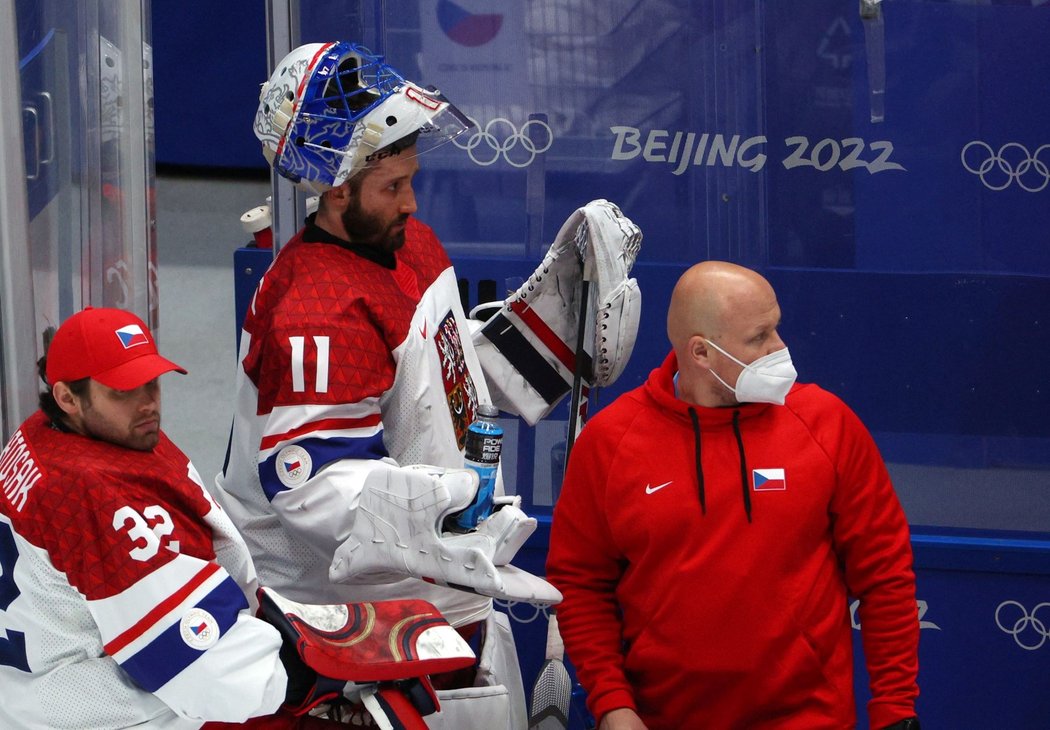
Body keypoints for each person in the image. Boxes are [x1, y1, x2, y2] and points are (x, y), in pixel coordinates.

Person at [213, 41, 560, 730]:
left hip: (433, 595)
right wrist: (458, 518)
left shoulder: (409, 242)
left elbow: (434, 368)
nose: (411, 201)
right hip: (353, 631)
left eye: (410, 178)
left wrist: (547, 348)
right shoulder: (315, 315)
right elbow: (314, 493)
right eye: (392, 187)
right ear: (336, 191)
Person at [546, 261, 921, 730]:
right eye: (760, 337)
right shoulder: (611, 442)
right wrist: (613, 703)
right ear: (701, 352)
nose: (780, 348)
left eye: (776, 329)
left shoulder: (827, 423)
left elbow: (884, 574)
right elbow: (581, 585)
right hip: (665, 718)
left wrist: (895, 710)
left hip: (811, 719)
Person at [0, 307, 350, 729]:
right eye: (122, 391)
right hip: (89, 710)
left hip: (31, 684)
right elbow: (209, 673)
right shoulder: (95, 496)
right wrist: (318, 675)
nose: (147, 402)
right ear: (68, 398)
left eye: (151, 382)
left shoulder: (47, 431)